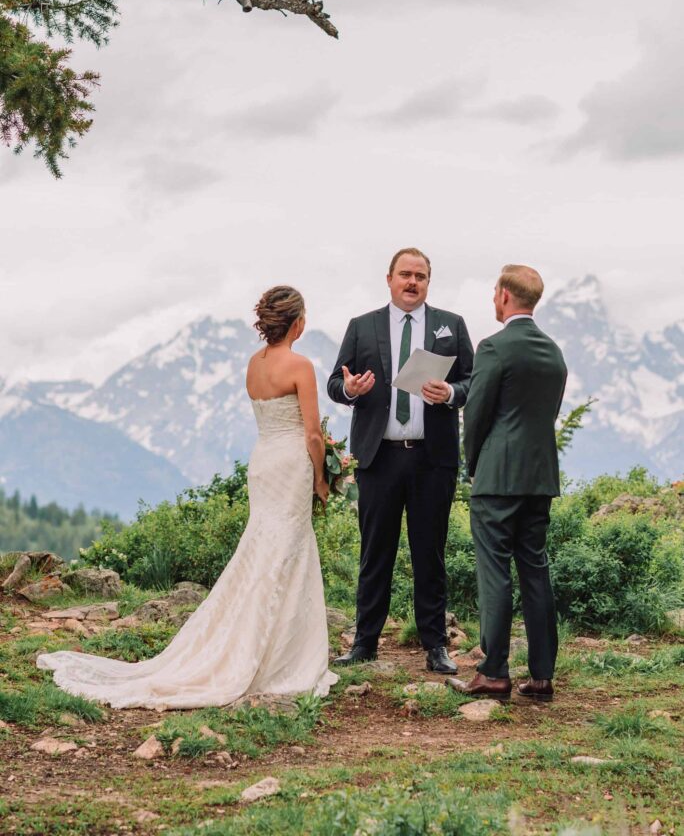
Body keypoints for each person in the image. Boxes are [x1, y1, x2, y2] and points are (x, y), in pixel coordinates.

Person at [37, 286, 338, 709]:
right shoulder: (301, 365)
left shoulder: (254, 365)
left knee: (262, 548)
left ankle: (253, 638)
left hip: (263, 461)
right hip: (291, 464)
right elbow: (310, 432)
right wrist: (323, 478)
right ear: (298, 323)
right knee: (286, 551)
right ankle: (278, 654)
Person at [328, 248, 473, 674]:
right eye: (405, 275)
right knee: (376, 553)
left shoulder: (452, 325)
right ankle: (365, 643)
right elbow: (336, 382)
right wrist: (351, 389)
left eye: (421, 276)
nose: (413, 282)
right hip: (379, 457)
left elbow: (472, 380)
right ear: (389, 278)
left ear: (429, 282)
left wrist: (450, 394)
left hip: (433, 458)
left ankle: (435, 646)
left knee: (430, 553)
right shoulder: (363, 326)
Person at [457, 264, 567, 702]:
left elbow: (477, 413)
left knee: (495, 571)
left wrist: (472, 464)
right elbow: (548, 413)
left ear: (503, 295)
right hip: (539, 477)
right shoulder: (554, 352)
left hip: (498, 476)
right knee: (535, 570)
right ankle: (541, 676)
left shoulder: (495, 348)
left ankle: (494, 671)